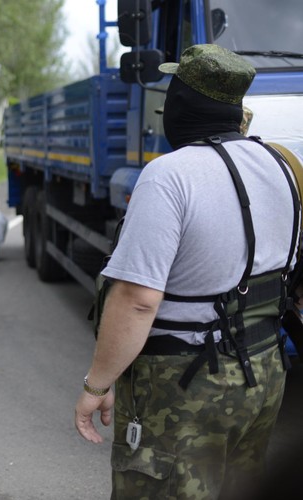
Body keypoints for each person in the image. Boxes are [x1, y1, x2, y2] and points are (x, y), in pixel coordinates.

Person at [74, 44, 300, 498]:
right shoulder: (283, 166)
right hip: (264, 373)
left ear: (177, 103)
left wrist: (96, 385)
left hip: (185, 387)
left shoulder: (169, 176)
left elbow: (137, 300)